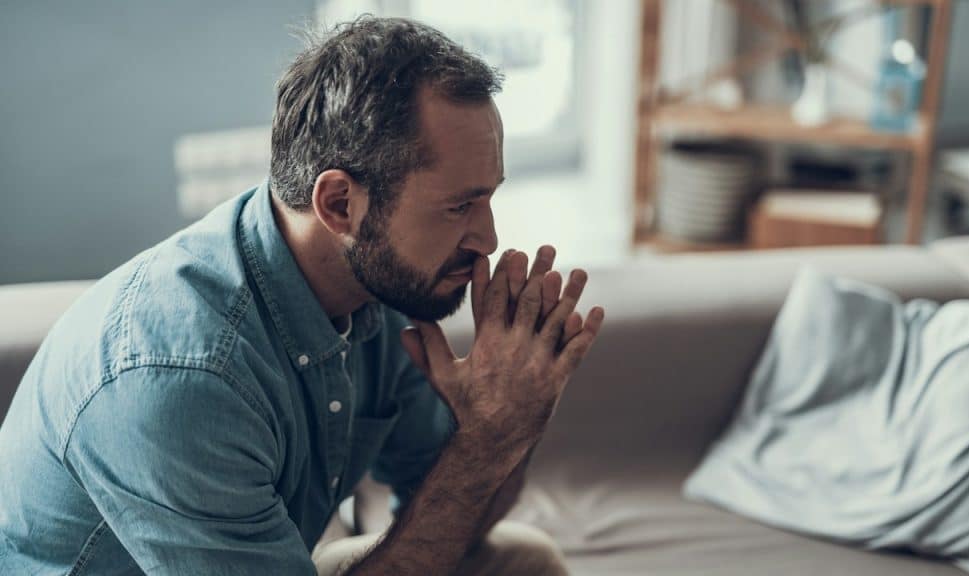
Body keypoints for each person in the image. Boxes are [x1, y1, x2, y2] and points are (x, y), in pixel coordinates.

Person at [0, 15, 603, 576]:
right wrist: (487, 440)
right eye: (458, 206)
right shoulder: (183, 379)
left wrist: (511, 422)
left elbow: (459, 517)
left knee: (524, 560)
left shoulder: (380, 288)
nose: (488, 238)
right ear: (339, 203)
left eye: (488, 198)